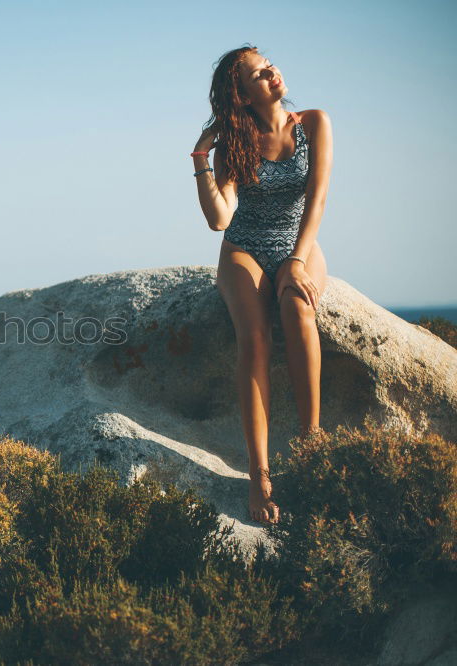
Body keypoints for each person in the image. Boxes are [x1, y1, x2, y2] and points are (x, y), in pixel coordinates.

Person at [191, 45, 333, 525]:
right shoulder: (237, 143)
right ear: (242, 94)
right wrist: (201, 157)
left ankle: (312, 449)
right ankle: (260, 475)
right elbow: (220, 219)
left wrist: (296, 260)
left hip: (299, 242)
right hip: (244, 249)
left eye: (269, 63)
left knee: (298, 307)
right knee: (254, 339)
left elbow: (316, 199)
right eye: (258, 72)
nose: (272, 71)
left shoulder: (313, 124)